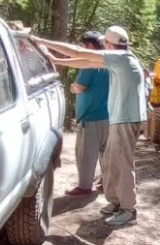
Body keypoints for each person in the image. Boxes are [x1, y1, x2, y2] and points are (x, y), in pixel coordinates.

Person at [39, 26, 147, 228]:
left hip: (125, 119)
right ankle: (116, 203)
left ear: (108, 44)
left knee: (122, 164)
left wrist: (40, 41)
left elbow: (80, 53)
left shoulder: (121, 58)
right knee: (111, 161)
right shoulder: (122, 58)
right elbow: (87, 61)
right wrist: (58, 60)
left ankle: (128, 209)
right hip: (121, 118)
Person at [65, 31, 109, 196]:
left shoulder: (90, 63)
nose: (80, 48)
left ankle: (84, 186)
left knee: (86, 155)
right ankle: (107, 183)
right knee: (106, 153)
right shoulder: (109, 62)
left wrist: (72, 87)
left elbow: (80, 86)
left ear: (89, 46)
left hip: (91, 117)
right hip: (109, 117)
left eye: (82, 45)